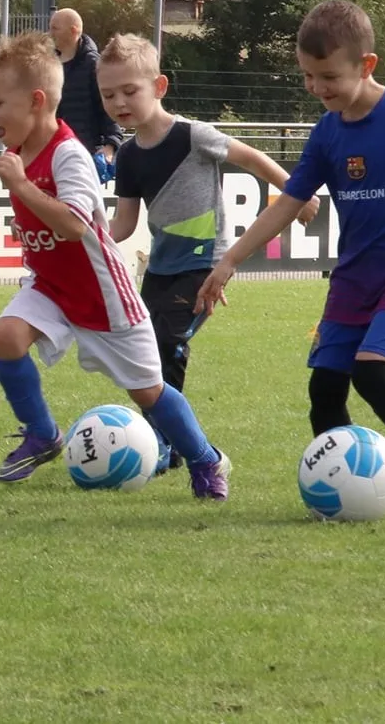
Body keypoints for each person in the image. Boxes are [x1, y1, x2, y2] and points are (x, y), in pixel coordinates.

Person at [199, 0, 385, 517]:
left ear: (365, 65)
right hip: (353, 277)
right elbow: (287, 203)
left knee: (371, 374)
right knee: (325, 388)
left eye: (327, 76)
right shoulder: (327, 132)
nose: (317, 88)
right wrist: (231, 259)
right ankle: (340, 488)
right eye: (307, 76)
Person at [0, 31, 228, 499]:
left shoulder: (69, 154)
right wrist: (26, 227)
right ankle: (42, 434)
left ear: (35, 101)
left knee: (148, 392)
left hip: (102, 292)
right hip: (52, 284)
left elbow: (75, 225)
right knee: (6, 337)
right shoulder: (16, 152)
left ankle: (205, 458)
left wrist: (25, 191)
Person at [99, 33, 315, 469]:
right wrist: (80, 236)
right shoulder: (127, 157)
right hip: (159, 272)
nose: (119, 102)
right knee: (144, 359)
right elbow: (122, 224)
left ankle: (168, 445)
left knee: (170, 344)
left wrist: (298, 193)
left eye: (129, 91)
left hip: (204, 266)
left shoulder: (193, 136)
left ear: (159, 87)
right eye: (108, 94)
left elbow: (252, 157)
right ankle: (167, 444)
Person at [49, 9, 121, 181]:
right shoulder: (48, 63)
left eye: (55, 28)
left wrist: (110, 147)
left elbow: (107, 107)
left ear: (73, 31)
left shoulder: (93, 65)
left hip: (84, 153)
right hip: (52, 152)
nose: (50, 33)